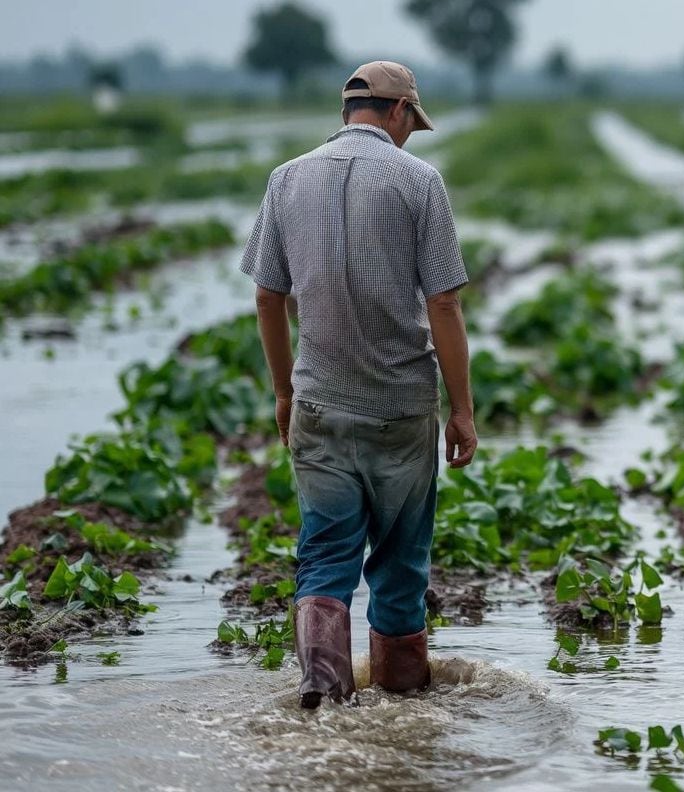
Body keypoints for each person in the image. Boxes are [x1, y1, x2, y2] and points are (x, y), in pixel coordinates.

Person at [240, 60, 477, 709]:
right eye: (411, 123)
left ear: (349, 111)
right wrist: (462, 411)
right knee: (401, 565)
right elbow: (446, 306)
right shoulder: (419, 181)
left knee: (325, 556)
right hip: (401, 411)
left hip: (319, 403)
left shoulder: (286, 179)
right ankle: (402, 713)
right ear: (399, 113)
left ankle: (323, 690)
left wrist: (285, 394)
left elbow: (267, 297)